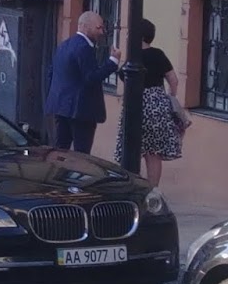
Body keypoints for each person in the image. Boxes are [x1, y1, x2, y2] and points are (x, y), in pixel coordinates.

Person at [114, 18, 185, 184]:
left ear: (138, 36)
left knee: (130, 149)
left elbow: (124, 78)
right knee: (153, 154)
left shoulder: (134, 57)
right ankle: (152, 190)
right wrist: (169, 98)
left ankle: (132, 187)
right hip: (157, 106)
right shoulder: (158, 54)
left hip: (135, 106)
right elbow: (173, 80)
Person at [46, 10, 121, 154]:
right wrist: (113, 61)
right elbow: (91, 78)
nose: (102, 32)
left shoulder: (64, 44)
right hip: (81, 110)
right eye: (99, 28)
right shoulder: (84, 48)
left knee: (61, 150)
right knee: (82, 154)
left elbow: (51, 72)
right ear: (86, 26)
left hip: (61, 106)